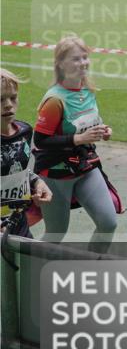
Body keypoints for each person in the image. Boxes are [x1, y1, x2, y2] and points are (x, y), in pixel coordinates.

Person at [32, 36, 117, 252]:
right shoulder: (54, 100)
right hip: (55, 175)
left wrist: (103, 130)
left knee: (108, 223)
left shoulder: (87, 90)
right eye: (76, 59)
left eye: (85, 57)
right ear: (61, 64)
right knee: (55, 235)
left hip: (84, 167)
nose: (83, 63)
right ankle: (29, 269)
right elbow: (41, 140)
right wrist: (79, 139)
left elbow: (88, 123)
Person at [2, 69, 52, 238]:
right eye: (0, 99)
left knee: (29, 263)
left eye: (13, 97)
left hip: (18, 220)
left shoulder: (24, 131)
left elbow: (17, 170)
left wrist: (36, 182)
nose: (8, 104)